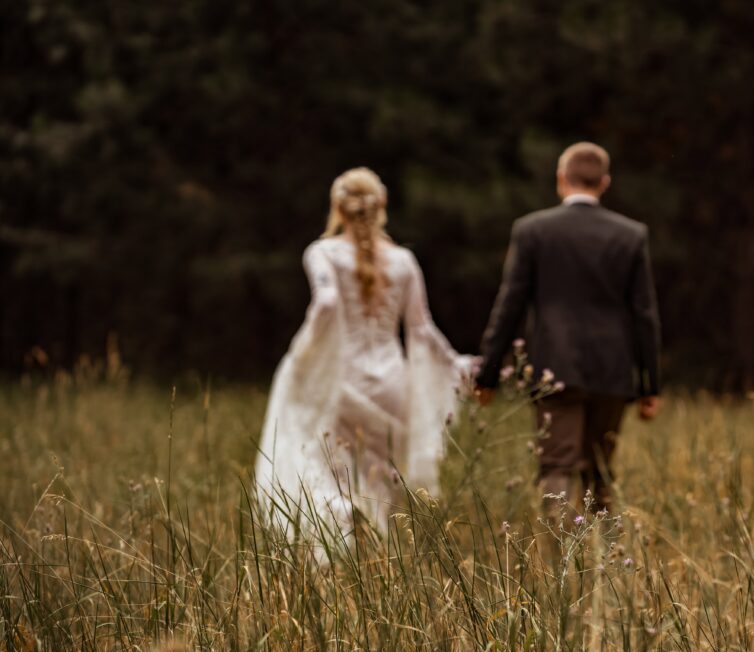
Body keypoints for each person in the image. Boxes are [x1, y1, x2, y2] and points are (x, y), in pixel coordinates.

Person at [255, 168, 474, 541]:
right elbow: (421, 328)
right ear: (382, 205)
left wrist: (303, 352)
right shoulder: (403, 260)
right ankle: (379, 553)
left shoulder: (322, 252)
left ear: (337, 206)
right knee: (381, 470)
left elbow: (325, 303)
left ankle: (342, 524)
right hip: (392, 380)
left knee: (332, 466)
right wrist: (455, 362)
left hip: (344, 378)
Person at [476, 142, 661, 516]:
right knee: (601, 471)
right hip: (612, 370)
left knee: (556, 465)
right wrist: (650, 385)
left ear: (561, 179)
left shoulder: (532, 231)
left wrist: (488, 373)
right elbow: (644, 314)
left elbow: (509, 306)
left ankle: (563, 566)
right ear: (604, 183)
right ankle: (607, 566)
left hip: (553, 367)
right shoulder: (631, 235)